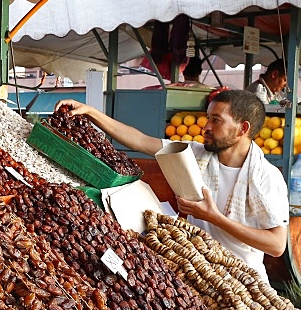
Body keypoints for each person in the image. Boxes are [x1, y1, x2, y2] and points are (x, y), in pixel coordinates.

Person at [55, 90, 288, 282]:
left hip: (242, 283)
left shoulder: (266, 178)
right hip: (194, 271)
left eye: (216, 120)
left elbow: (277, 245)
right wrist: (91, 112)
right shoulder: (194, 154)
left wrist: (215, 218)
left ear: (243, 129)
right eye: (207, 118)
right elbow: (140, 140)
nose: (205, 127)